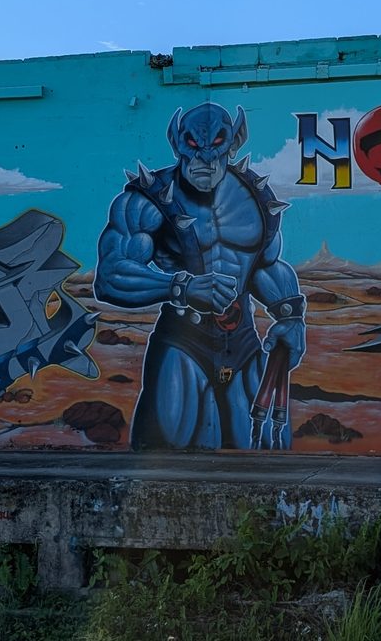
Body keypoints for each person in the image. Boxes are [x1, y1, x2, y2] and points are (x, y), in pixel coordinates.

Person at [96, 102, 306, 448]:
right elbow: (111, 274)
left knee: (261, 453)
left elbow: (268, 266)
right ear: (178, 143)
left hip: (243, 341)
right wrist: (181, 286)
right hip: (183, 340)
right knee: (166, 455)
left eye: (216, 146)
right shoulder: (149, 200)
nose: (205, 159)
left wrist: (291, 316)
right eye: (194, 147)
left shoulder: (256, 201)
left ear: (233, 142)